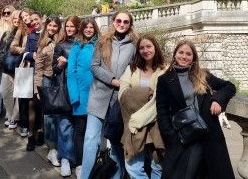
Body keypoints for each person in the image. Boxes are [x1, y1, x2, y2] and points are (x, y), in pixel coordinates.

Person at [156, 39, 236, 179]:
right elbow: (162, 111)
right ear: (175, 54)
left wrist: (217, 100)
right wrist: (171, 136)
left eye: (188, 54)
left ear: (193, 57)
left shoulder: (203, 75)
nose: (184, 56)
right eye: (181, 52)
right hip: (183, 137)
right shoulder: (165, 80)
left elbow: (229, 86)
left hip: (208, 134)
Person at [81, 10, 138, 179]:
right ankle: (85, 176)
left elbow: (136, 69)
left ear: (130, 24)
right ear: (113, 22)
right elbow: (94, 66)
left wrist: (126, 83)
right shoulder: (102, 41)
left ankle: (115, 176)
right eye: (119, 21)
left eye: (125, 22)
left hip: (119, 100)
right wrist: (112, 80)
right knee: (91, 140)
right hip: (98, 96)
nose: (121, 24)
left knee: (115, 142)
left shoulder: (135, 44)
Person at [119, 34, 166, 179]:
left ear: (155, 48)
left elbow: (163, 97)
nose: (145, 50)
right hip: (134, 123)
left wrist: (138, 95)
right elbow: (123, 94)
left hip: (156, 122)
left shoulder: (165, 69)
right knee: (133, 165)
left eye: (149, 46)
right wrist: (148, 95)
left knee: (157, 165)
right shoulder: (132, 69)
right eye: (141, 48)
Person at [67, 17, 100, 179]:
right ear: (82, 30)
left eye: (91, 27)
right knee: (80, 130)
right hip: (80, 95)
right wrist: (74, 96)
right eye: (86, 28)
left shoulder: (100, 44)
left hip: (98, 94)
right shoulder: (76, 47)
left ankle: (94, 163)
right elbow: (70, 73)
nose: (88, 30)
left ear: (95, 29)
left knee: (95, 133)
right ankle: (80, 164)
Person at [52, 15, 82, 177]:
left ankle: (78, 161)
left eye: (72, 26)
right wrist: (60, 64)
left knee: (79, 127)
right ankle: (65, 159)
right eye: (67, 26)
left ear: (78, 27)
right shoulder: (61, 44)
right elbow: (53, 70)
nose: (69, 29)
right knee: (64, 126)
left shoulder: (83, 45)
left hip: (79, 91)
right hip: (63, 89)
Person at [34, 16, 63, 167]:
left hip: (61, 81)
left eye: (54, 26)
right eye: (49, 26)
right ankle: (52, 148)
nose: (52, 28)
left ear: (59, 27)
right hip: (47, 80)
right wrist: (37, 89)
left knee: (61, 113)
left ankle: (61, 146)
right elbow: (38, 68)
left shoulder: (62, 41)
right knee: (49, 116)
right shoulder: (42, 43)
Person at [0, 10, 28, 130]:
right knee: (5, 92)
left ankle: (14, 118)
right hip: (8, 68)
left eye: (19, 19)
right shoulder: (7, 33)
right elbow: (1, 50)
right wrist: (4, 61)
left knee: (19, 95)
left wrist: (19, 51)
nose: (16, 21)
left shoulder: (25, 33)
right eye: (14, 19)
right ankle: (10, 114)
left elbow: (27, 49)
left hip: (22, 67)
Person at [25, 12, 44, 150]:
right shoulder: (30, 36)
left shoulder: (48, 34)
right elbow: (25, 53)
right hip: (32, 72)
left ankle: (42, 132)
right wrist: (32, 55)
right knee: (31, 104)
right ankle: (30, 135)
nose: (34, 22)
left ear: (41, 19)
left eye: (36, 19)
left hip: (46, 73)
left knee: (44, 104)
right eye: (32, 20)